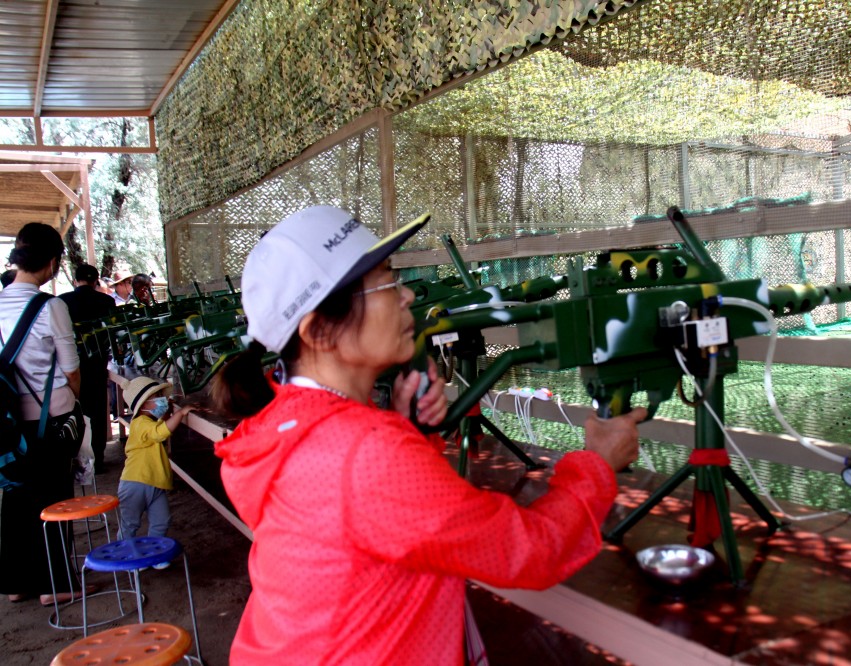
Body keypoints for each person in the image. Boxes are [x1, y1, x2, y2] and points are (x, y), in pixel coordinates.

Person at [211, 206, 644, 665]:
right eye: (386, 282)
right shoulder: (365, 451)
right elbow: (527, 551)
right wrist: (597, 464)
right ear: (319, 331)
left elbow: (362, 525)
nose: (407, 294)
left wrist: (407, 430)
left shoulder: (286, 426)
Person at [0, 223, 82, 606]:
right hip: (51, 419)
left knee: (16, 500)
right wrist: (73, 407)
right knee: (53, 499)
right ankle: (55, 585)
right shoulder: (52, 307)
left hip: (7, 422)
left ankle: (17, 584)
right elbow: (70, 369)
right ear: (52, 262)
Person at [118, 376, 193, 551]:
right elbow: (160, 433)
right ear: (144, 405)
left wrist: (167, 411)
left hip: (155, 483)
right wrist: (180, 414)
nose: (162, 400)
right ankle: (125, 554)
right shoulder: (139, 424)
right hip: (135, 482)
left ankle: (154, 552)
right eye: (158, 397)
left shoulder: (149, 421)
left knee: (162, 520)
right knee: (130, 524)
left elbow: (159, 426)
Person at [59, 263, 117, 472]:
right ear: (95, 281)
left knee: (74, 412)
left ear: (75, 280)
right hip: (97, 365)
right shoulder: (107, 301)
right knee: (98, 413)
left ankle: (78, 461)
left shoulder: (62, 302)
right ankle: (98, 459)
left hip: (70, 368)